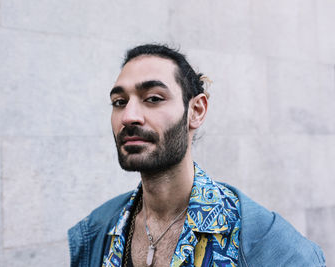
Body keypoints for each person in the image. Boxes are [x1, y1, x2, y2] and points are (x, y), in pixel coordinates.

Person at [68, 44, 325, 267]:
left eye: (154, 98)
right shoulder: (97, 232)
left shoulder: (267, 244)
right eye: (119, 102)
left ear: (196, 111)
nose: (128, 116)